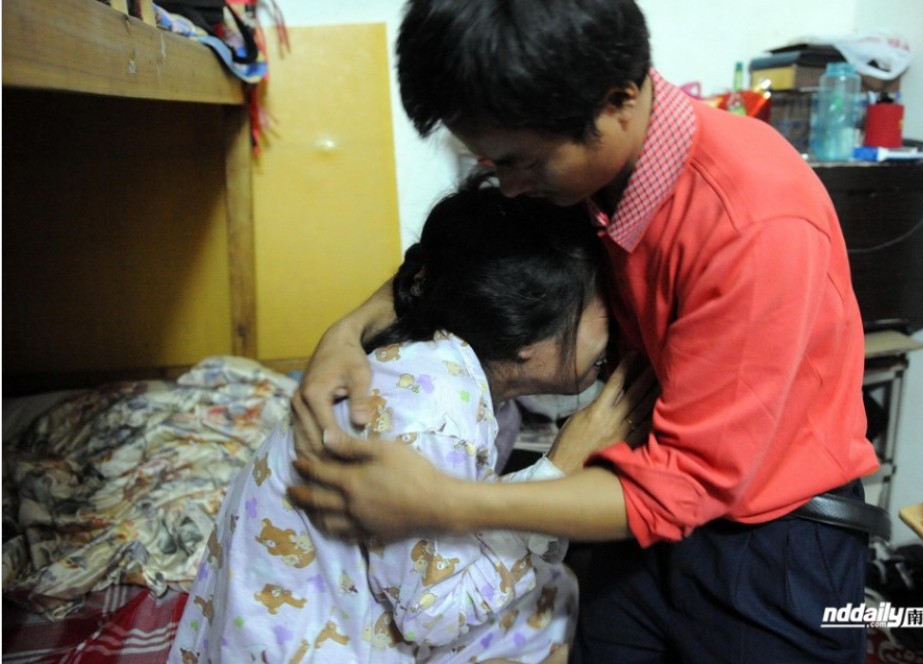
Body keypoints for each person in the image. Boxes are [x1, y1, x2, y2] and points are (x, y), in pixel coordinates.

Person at [288, 0, 884, 662]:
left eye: (521, 162)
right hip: (641, 499)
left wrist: (447, 503)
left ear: (617, 103)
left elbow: (684, 486)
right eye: (489, 162)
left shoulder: (754, 225)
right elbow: (465, 265)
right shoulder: (587, 169)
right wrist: (348, 331)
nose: (507, 188)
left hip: (770, 541)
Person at [168, 175, 656, 664]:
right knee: (556, 611)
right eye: (602, 302)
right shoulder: (436, 410)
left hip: (307, 620)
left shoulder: (436, 358)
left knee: (554, 585)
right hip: (315, 642)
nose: (617, 322)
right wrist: (562, 466)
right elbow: (433, 617)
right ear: (526, 332)